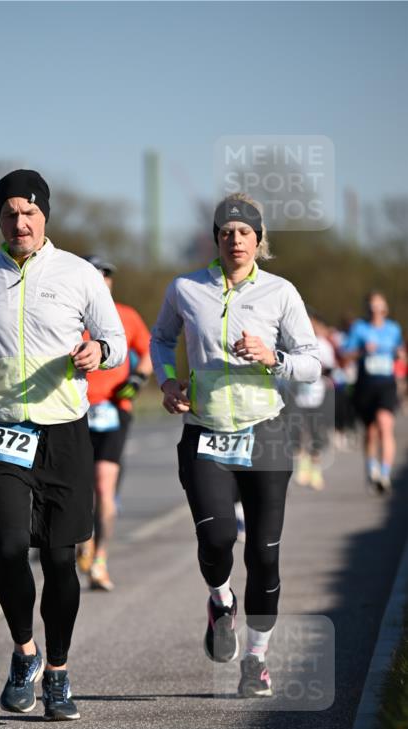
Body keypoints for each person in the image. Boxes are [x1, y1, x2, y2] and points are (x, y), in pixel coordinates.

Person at [0, 169, 126, 721]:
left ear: (45, 215)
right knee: (7, 545)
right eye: (9, 213)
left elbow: (116, 341)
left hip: (65, 430)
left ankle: (58, 673)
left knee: (59, 557)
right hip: (2, 427)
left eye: (28, 213)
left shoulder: (78, 274)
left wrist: (98, 351)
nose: (19, 222)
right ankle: (25, 652)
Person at [151, 193, 321, 698]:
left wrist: (275, 359)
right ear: (216, 238)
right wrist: (167, 382)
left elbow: (311, 359)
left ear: (259, 239)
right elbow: (161, 339)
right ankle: (220, 601)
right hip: (205, 432)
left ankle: (256, 660)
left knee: (265, 556)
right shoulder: (186, 288)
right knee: (217, 539)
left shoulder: (280, 292)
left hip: (265, 433)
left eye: (245, 232)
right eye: (226, 231)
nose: (235, 239)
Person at [75, 254, 153, 591]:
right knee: (79, 487)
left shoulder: (127, 316)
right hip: (73, 410)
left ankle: (101, 559)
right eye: (95, 274)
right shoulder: (69, 316)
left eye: (107, 274)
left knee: (104, 485)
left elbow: (151, 352)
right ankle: (84, 541)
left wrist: (137, 379)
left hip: (113, 409)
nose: (102, 280)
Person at [344, 291, 404, 493]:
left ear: (385, 308)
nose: (376, 310)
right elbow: (345, 356)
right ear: (367, 309)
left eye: (379, 306)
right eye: (372, 307)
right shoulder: (359, 328)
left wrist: (399, 354)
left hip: (386, 384)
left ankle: (385, 475)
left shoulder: (393, 329)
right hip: (365, 385)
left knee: (385, 424)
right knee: (371, 432)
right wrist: (361, 350)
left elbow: (400, 352)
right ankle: (372, 468)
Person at [291, 310, 336, 491]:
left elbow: (331, 368)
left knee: (317, 433)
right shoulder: (294, 343)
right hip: (299, 395)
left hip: (319, 395)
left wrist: (316, 370)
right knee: (300, 432)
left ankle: (316, 470)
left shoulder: (323, 345)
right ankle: (303, 468)